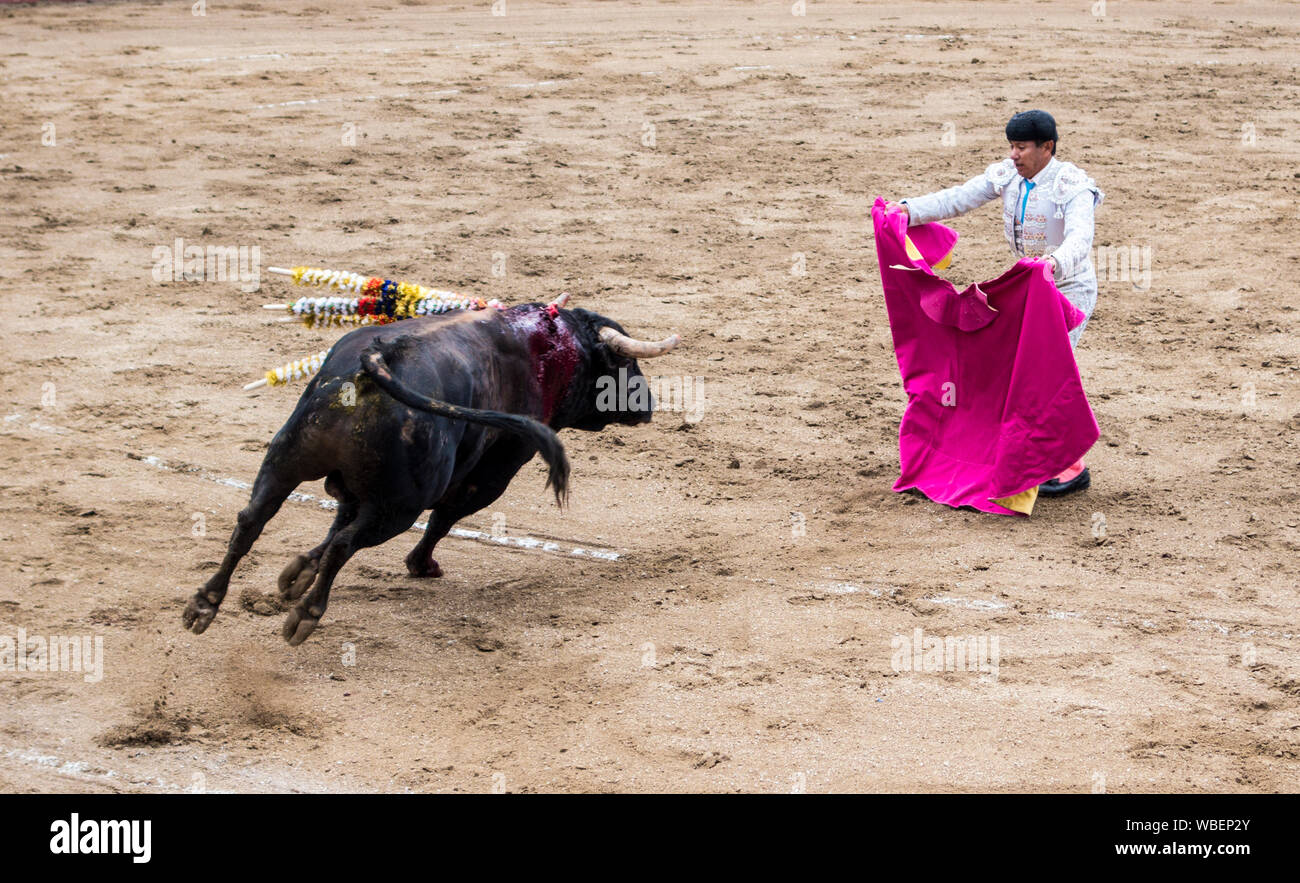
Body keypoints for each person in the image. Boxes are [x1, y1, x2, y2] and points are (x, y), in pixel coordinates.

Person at [886, 109, 1103, 496]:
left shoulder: (1073, 186)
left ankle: (1071, 466)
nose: (1014, 155)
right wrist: (908, 209)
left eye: (1021, 148)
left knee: (1046, 373)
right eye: (1011, 147)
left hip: (1069, 290)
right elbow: (959, 198)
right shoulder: (1008, 175)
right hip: (1032, 291)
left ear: (1047, 147)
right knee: (1023, 373)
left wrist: (1052, 264)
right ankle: (1046, 459)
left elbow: (1080, 238)